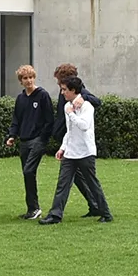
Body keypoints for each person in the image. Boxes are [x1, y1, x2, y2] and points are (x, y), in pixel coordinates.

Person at [39, 75, 110, 224]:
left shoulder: (87, 107)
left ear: (73, 90)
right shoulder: (67, 106)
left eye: (64, 90)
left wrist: (71, 113)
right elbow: (70, 131)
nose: (62, 93)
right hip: (71, 152)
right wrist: (63, 147)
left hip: (85, 152)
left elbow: (84, 126)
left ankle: (105, 213)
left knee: (92, 183)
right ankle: (55, 215)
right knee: (62, 184)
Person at [50, 65, 103, 216]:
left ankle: (97, 207)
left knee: (80, 178)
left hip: (78, 145)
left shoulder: (77, 92)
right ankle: (95, 206)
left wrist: (83, 98)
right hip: (69, 140)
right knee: (77, 178)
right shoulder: (65, 93)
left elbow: (96, 101)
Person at [5, 64, 55, 219]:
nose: (29, 81)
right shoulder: (20, 99)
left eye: (31, 77)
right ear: (21, 81)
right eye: (25, 78)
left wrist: (42, 138)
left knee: (28, 171)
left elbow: (49, 119)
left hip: (37, 140)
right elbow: (16, 119)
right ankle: (32, 208)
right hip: (24, 141)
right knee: (28, 174)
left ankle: (34, 208)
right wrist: (12, 135)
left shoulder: (42, 95)